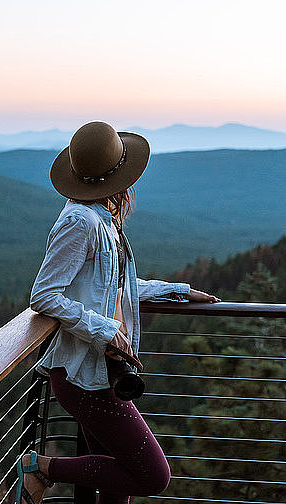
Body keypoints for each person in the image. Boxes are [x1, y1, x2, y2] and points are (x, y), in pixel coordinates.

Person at [16, 121, 220, 504]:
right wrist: (105, 331)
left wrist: (175, 291)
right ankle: (42, 467)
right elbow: (44, 295)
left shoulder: (99, 218)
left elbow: (113, 287)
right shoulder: (80, 222)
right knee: (151, 475)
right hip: (82, 376)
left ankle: (43, 469)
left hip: (99, 372)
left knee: (115, 483)